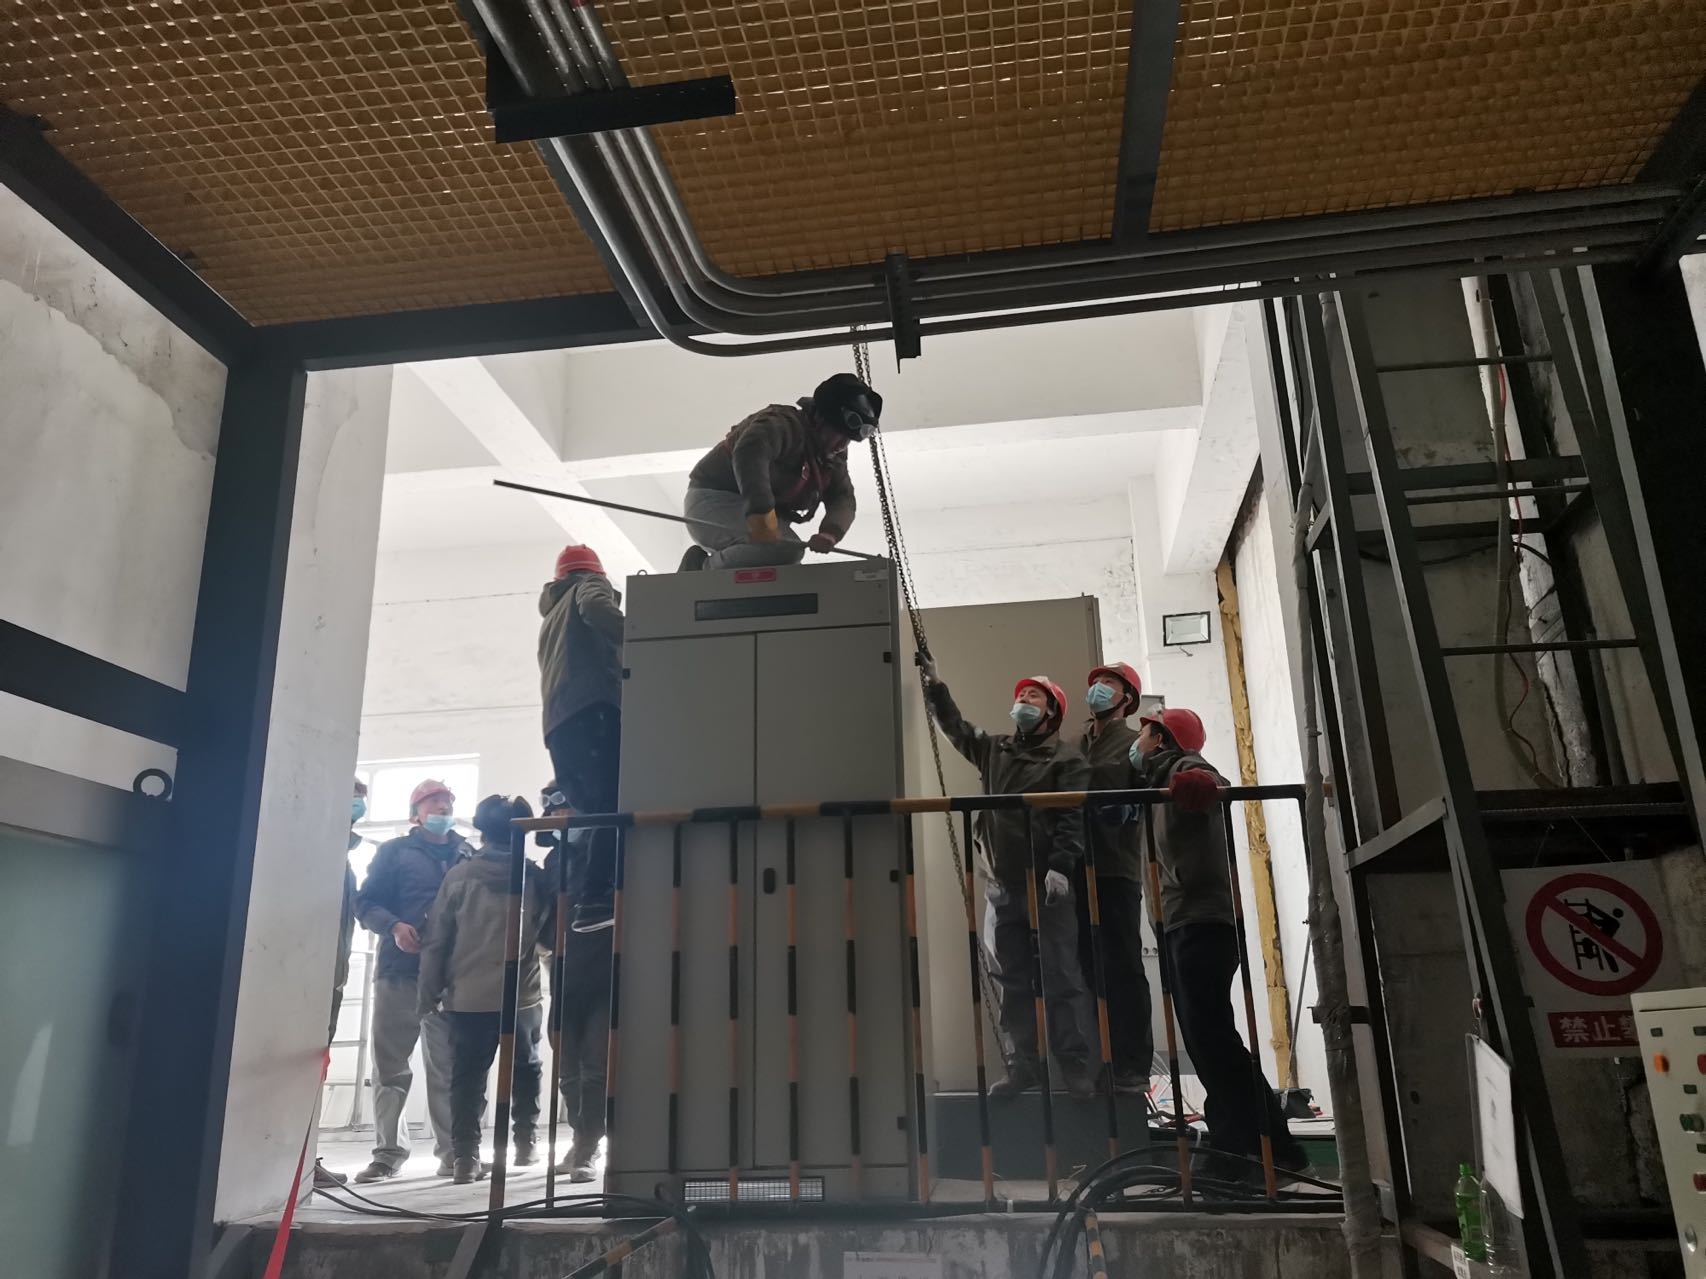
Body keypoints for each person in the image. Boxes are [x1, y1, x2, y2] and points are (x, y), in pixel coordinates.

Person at [1129, 707, 1308, 1182]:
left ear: (1162, 739)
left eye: (1144, 733)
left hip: (1201, 922)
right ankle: (1247, 1147)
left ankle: (1264, 1149)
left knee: (1213, 1042)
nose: (1137, 742)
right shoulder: (1153, 786)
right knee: (1208, 1042)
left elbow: (1213, 781)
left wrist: (1202, 783)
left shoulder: (1183, 768)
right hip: (1179, 921)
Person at [919, 657, 1098, 1097]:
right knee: (1010, 978)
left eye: (1033, 695)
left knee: (1060, 974)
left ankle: (1073, 1065)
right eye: (1021, 695)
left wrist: (1061, 866)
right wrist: (936, 686)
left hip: (1047, 883)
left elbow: (1072, 816)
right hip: (1001, 883)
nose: (1023, 700)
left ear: (1052, 710)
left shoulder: (1067, 759)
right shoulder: (995, 749)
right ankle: (1022, 1065)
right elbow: (957, 728)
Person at [418, 795, 549, 1184]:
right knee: (526, 1068)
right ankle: (524, 1143)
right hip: (521, 995)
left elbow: (437, 940)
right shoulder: (535, 878)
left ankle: (466, 1158)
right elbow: (547, 934)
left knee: (468, 1077)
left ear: (482, 831)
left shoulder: (459, 877)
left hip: (468, 996)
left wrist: (428, 993)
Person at [350, 779, 468, 1183]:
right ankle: (388, 1154)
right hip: (398, 973)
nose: (443, 808)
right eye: (433, 802)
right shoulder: (394, 853)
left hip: (450, 977)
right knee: (391, 1067)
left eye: (447, 802)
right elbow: (365, 902)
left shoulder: (467, 855)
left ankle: (454, 1154)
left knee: (448, 1068)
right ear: (415, 813)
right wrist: (395, 926)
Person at [679, 373, 881, 571]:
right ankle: (699, 569)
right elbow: (750, 452)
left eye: (848, 440)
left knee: (786, 566)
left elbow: (842, 498)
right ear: (820, 419)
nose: (842, 445)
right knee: (785, 550)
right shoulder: (783, 424)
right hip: (712, 501)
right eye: (839, 434)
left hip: (751, 511)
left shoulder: (830, 458)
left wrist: (830, 533)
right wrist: (760, 512)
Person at [1077, 663, 1155, 1095]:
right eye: (1095, 683)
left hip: (1115, 868)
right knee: (1089, 970)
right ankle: (1104, 1061)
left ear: (1127, 698)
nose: (1098, 689)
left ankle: (1132, 1064)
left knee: (1122, 965)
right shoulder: (1077, 745)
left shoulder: (1132, 744)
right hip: (1075, 865)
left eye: (1108, 683)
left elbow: (1152, 783)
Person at [538, 541, 624, 932]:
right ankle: (596, 896)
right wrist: (643, 639)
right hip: (592, 710)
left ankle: (594, 898)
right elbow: (596, 608)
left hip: (558, 724)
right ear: (595, 572)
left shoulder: (550, 618)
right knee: (614, 801)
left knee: (596, 809)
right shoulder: (588, 585)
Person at [541, 814, 613, 1183]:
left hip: (604, 972)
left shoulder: (610, 849)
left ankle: (589, 1145)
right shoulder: (555, 859)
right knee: (567, 1068)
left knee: (596, 1068)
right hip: (564, 972)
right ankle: (579, 1135)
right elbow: (545, 915)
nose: (557, 814)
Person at [312, 777, 369, 1190]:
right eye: (353, 799)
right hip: (305, 982)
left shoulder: (343, 860)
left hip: (331, 979)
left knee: (316, 1068)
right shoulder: (314, 851)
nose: (358, 807)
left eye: (361, 801)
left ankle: (303, 1156)